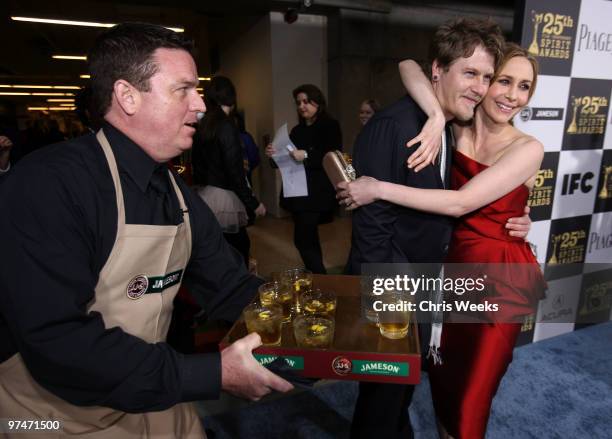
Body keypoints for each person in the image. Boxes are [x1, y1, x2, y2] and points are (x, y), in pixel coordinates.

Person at [0, 22, 292, 438]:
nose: (201, 105)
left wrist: (315, 327)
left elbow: (230, 288)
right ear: (127, 96)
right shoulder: (49, 185)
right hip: (49, 410)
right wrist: (214, 373)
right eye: (184, 90)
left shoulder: (176, 192)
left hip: (149, 388)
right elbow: (59, 343)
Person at [338, 42, 545, 439]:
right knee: (442, 387)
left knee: (470, 400)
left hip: (496, 281)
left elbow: (462, 202)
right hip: (447, 273)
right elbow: (407, 63)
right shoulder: (455, 124)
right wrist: (435, 113)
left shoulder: (528, 147)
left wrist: (379, 188)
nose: (511, 95)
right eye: (502, 81)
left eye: (524, 87)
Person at [265, 84, 342, 274]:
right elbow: (283, 161)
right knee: (305, 239)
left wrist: (307, 155)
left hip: (316, 193)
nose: (302, 106)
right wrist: (273, 154)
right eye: (299, 102)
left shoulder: (330, 125)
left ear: (318, 102)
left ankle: (318, 277)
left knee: (303, 238)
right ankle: (317, 275)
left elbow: (333, 155)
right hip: (298, 192)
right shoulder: (297, 130)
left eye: (307, 101)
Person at [192, 76, 265, 265]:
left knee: (217, 253)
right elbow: (235, 173)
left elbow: (197, 164)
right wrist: (254, 203)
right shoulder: (226, 126)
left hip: (204, 195)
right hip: (224, 198)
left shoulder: (204, 126)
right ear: (231, 98)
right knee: (239, 250)